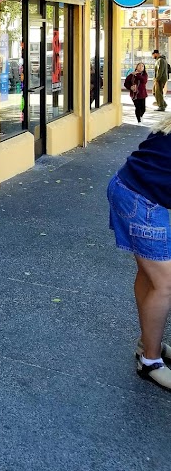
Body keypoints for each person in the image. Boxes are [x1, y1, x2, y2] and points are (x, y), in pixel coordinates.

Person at [107, 113, 171, 390]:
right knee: (165, 283)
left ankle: (148, 341)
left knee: (150, 274)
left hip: (128, 188)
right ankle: (150, 361)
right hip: (142, 201)